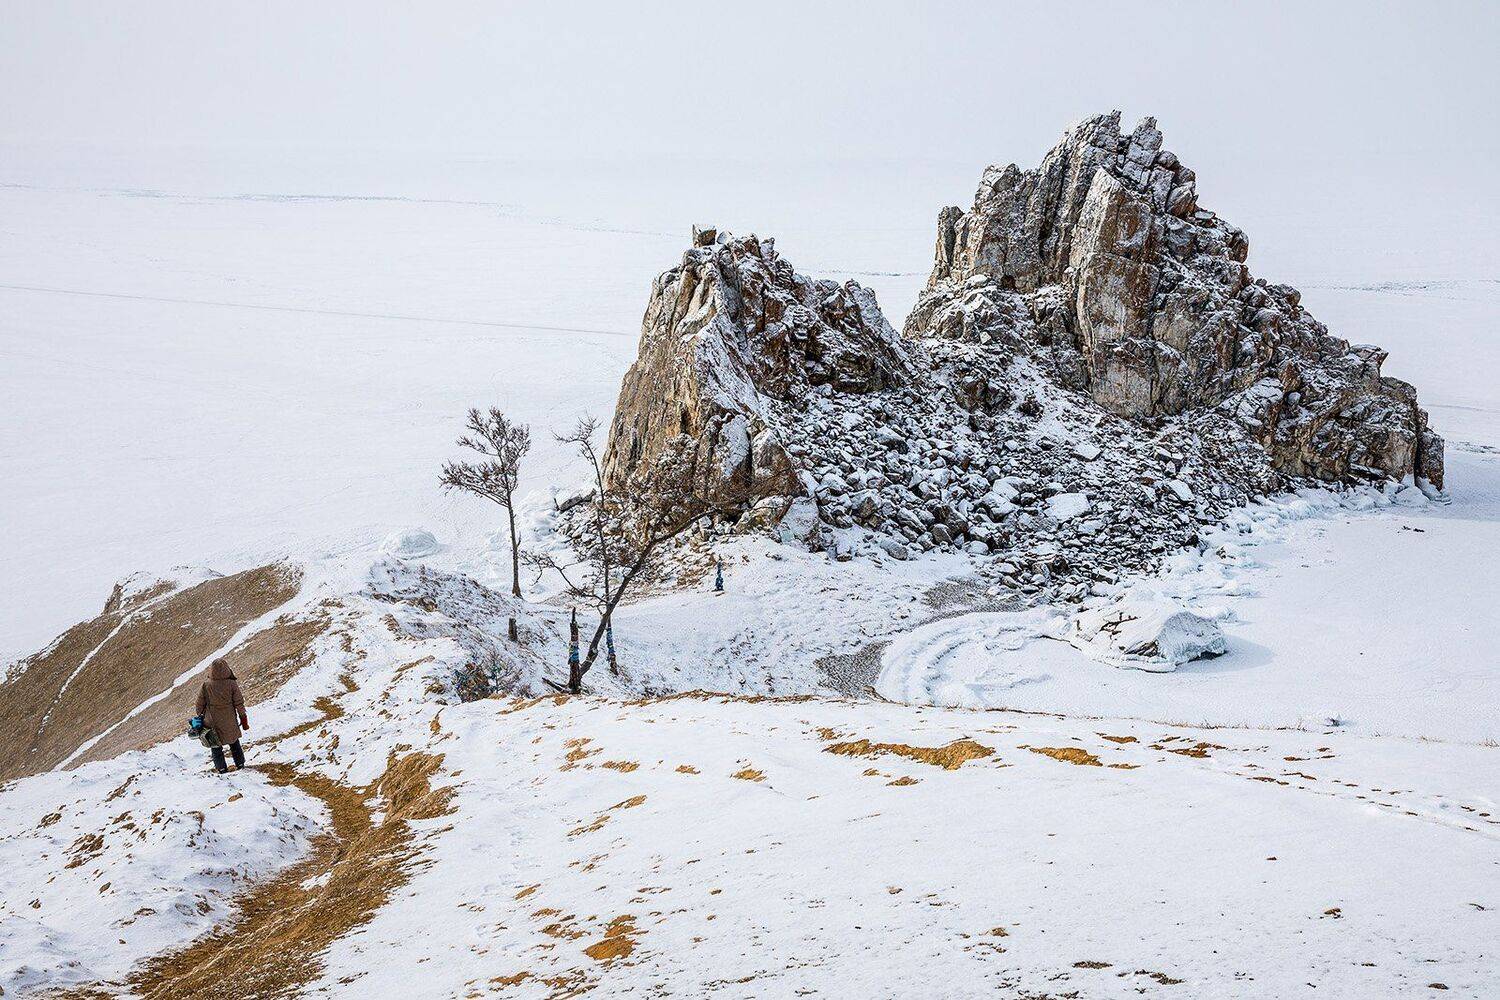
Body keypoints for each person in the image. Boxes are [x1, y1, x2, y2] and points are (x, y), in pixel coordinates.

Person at [195, 657, 249, 773]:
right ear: (227, 669)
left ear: (212, 670)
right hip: (229, 720)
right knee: (234, 743)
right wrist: (243, 719)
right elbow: (239, 703)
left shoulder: (206, 685)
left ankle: (221, 769)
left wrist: (201, 716)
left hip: (212, 722)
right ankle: (240, 764)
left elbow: (199, 704)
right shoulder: (232, 684)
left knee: (215, 747)